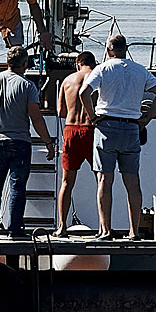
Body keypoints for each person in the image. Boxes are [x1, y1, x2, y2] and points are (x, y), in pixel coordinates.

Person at [87, 33, 156, 239]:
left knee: (104, 179)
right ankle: (134, 231)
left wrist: (92, 117)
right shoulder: (140, 70)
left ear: (108, 50)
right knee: (132, 182)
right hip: (131, 128)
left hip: (106, 127)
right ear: (126, 49)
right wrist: (147, 118)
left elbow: (84, 92)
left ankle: (106, 230)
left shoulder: (102, 69)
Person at [0, 47, 55, 237]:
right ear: (25, 64)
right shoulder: (28, 86)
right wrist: (48, 142)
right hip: (20, 142)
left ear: (7, 62)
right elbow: (36, 118)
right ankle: (14, 230)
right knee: (17, 188)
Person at [54, 50, 98, 233]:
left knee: (66, 182)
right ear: (93, 63)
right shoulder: (97, 77)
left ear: (78, 64)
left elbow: (61, 112)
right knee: (101, 180)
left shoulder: (67, 80)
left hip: (71, 130)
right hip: (91, 130)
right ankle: (104, 227)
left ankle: (62, 226)